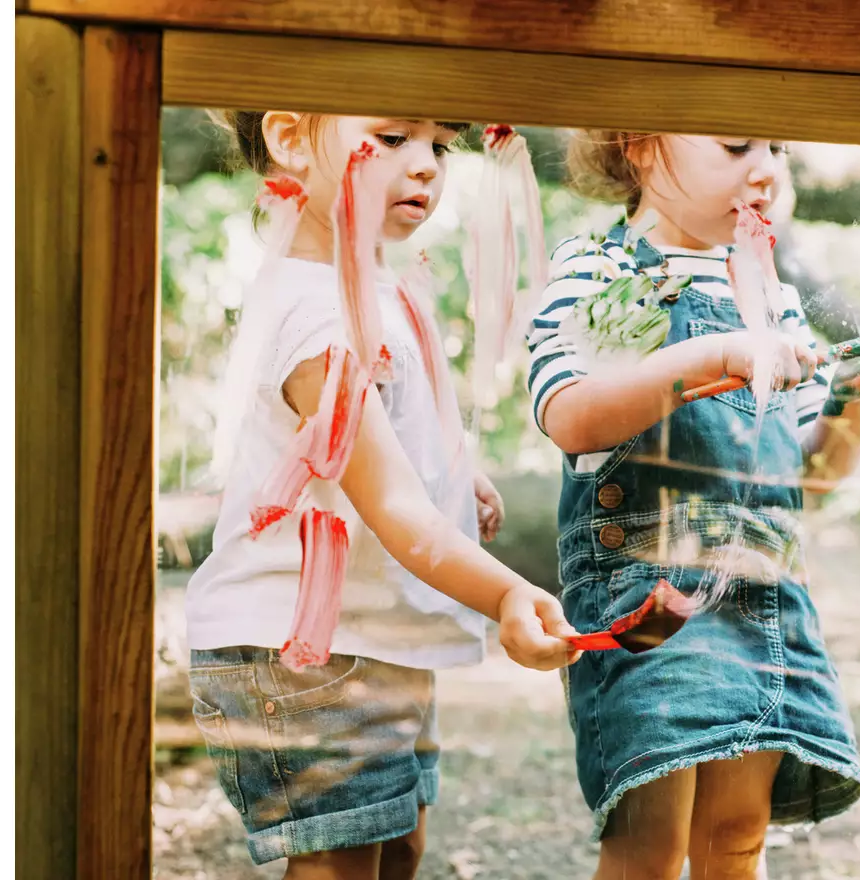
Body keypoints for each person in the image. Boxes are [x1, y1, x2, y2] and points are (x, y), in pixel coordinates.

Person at [185, 111, 580, 880]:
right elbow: (395, 508)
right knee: (343, 864)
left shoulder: (366, 280)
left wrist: (450, 471)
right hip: (304, 649)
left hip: (372, 635)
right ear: (292, 138)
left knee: (398, 845)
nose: (428, 165)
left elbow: (377, 439)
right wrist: (508, 595)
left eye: (440, 144)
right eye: (395, 138)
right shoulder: (320, 313)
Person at [527, 130, 860, 879]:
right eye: (734, 144)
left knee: (738, 833)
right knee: (648, 845)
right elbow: (569, 413)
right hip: (652, 597)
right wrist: (711, 357)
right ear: (638, 146)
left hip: (765, 595)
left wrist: (848, 400)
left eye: (778, 148)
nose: (764, 170)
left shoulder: (768, 297)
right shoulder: (597, 271)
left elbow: (809, 476)